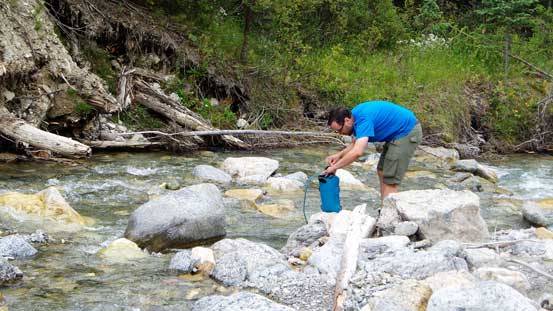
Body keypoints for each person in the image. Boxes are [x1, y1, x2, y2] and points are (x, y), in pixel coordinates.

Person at [322, 100, 422, 200]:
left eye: (339, 130)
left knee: (390, 180)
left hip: (407, 132)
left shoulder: (363, 119)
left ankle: (389, 213)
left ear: (347, 120)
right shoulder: (355, 117)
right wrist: (339, 155)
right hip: (395, 134)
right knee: (382, 171)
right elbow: (355, 143)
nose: (340, 133)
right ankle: (384, 209)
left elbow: (357, 152)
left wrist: (335, 167)